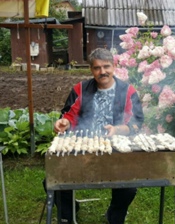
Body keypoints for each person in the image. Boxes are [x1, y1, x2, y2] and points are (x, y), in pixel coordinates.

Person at [49, 48, 144, 224]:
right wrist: (64, 123)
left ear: (114, 66)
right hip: (83, 149)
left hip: (116, 151)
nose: (102, 72)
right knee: (55, 179)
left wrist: (117, 130)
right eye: (97, 68)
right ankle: (69, 215)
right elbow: (69, 114)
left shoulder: (128, 91)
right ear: (91, 70)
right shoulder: (80, 89)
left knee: (129, 188)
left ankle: (114, 215)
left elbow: (137, 123)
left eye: (106, 66)